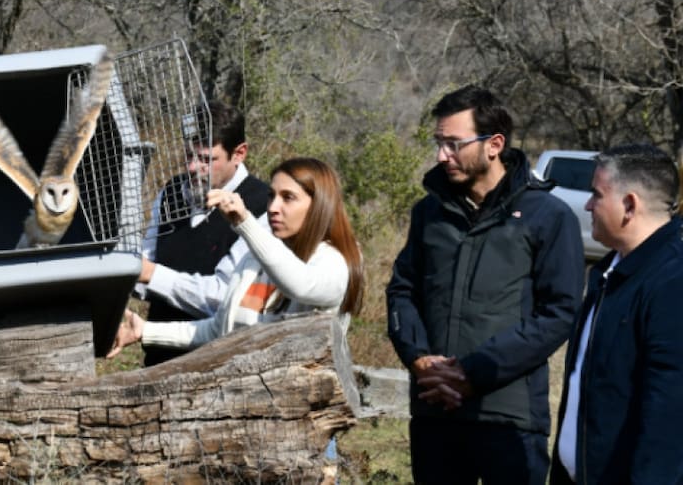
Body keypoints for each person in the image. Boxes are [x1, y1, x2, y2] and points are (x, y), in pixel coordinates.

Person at [386, 85, 584, 485]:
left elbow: (559, 313)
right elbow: (402, 291)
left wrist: (474, 372)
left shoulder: (548, 216)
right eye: (439, 143)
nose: (442, 155)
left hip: (509, 419)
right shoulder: (429, 212)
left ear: (494, 144)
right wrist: (419, 359)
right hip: (434, 411)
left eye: (454, 144)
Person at [110, 157, 365, 357]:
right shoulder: (255, 260)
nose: (273, 207)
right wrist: (145, 330)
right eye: (271, 196)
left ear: (319, 206)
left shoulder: (333, 262)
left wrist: (245, 222)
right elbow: (219, 330)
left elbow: (301, 285)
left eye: (288, 198)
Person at [551, 144, 683, 484]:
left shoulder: (672, 282)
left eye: (597, 194)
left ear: (629, 205)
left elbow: (668, 418)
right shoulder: (609, 271)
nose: (588, 205)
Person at [137, 100, 272, 365]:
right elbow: (145, 263)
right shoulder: (171, 193)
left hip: (221, 368)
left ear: (239, 154)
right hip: (158, 359)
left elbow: (224, 297)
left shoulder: (262, 207)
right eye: (189, 155)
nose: (192, 167)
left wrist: (152, 274)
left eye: (207, 159)